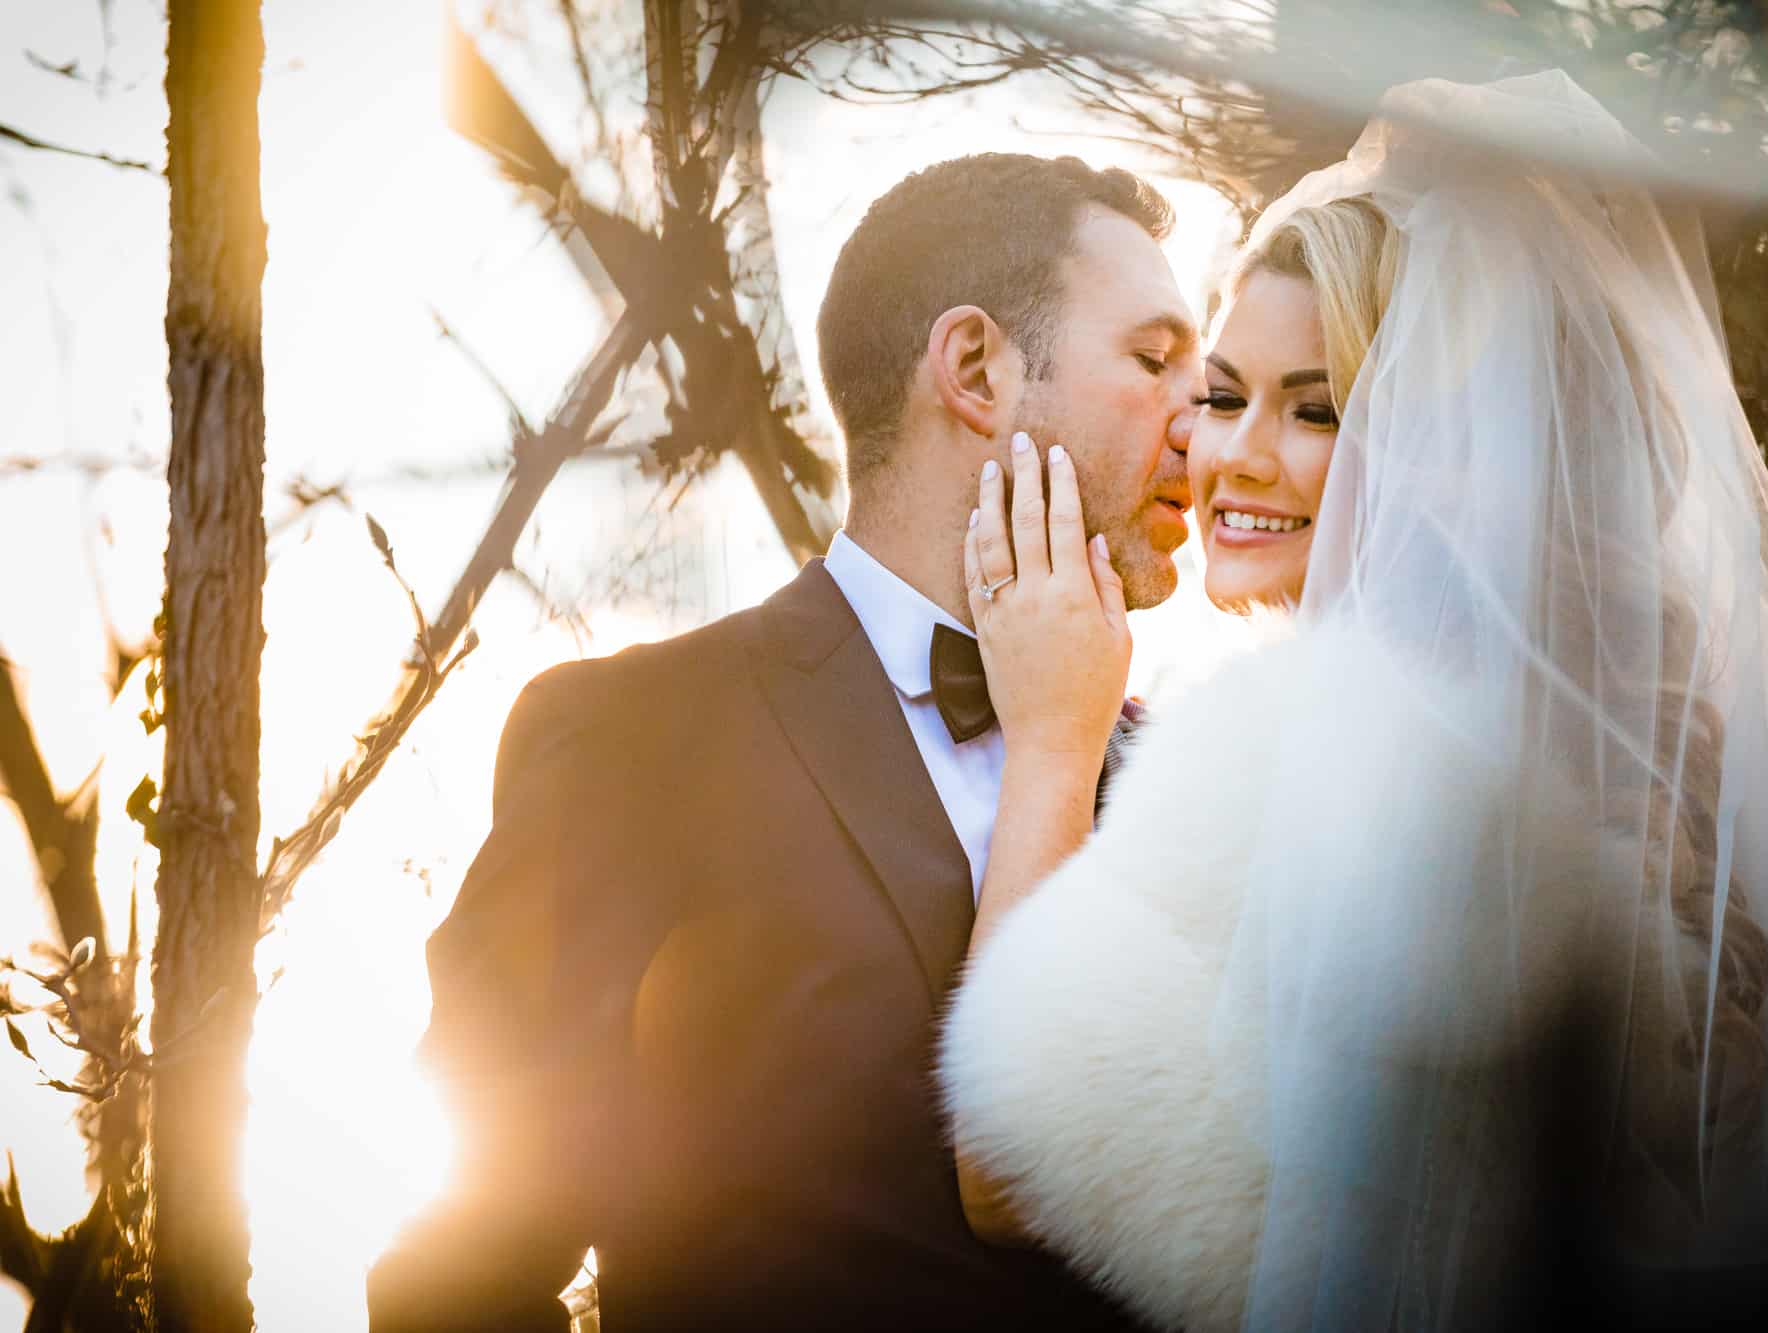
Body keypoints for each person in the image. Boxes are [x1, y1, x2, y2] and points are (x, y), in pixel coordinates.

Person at [940, 72, 1768, 1333]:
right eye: (1222, 396)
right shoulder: (1635, 760)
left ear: (1442, 450)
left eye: (1318, 409)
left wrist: (1056, 746)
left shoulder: (1318, 754)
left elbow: (1006, 1166)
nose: (1232, 456)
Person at [367, 151, 1200, 1331]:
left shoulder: (1192, 793)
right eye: (1155, 360)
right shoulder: (635, 743)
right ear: (974, 369)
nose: (1202, 417)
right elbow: (464, 1278)